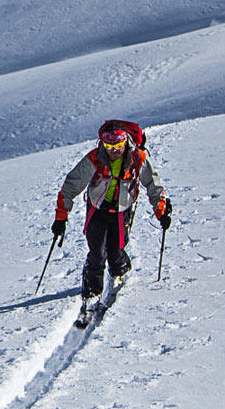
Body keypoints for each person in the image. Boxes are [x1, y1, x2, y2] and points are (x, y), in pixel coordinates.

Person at [51, 122, 171, 304]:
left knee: (116, 249)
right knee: (96, 252)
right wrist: (61, 218)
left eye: (118, 145)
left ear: (126, 142)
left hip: (122, 210)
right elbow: (70, 187)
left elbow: (153, 186)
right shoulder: (94, 159)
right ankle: (92, 291)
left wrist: (161, 212)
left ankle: (120, 269)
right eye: (109, 146)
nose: (114, 150)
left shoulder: (138, 158)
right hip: (97, 209)